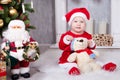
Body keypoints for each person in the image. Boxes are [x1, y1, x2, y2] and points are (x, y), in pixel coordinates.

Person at [58, 8, 116, 75]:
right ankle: (73, 70)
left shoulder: (87, 35)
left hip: (84, 57)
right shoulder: (66, 35)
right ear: (71, 23)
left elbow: (92, 48)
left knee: (95, 61)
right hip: (71, 57)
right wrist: (66, 40)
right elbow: (61, 46)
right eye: (75, 21)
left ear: (85, 24)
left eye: (81, 22)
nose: (78, 24)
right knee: (71, 64)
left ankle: (104, 66)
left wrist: (91, 44)